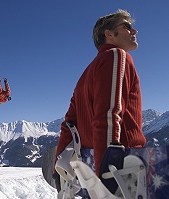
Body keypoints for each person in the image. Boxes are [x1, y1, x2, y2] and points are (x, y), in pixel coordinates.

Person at [54, 9, 146, 193]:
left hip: (91, 168)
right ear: (109, 34)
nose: (134, 31)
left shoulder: (86, 74)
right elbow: (109, 115)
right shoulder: (116, 55)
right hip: (122, 169)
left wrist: (58, 168)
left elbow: (69, 123)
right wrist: (107, 178)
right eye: (127, 26)